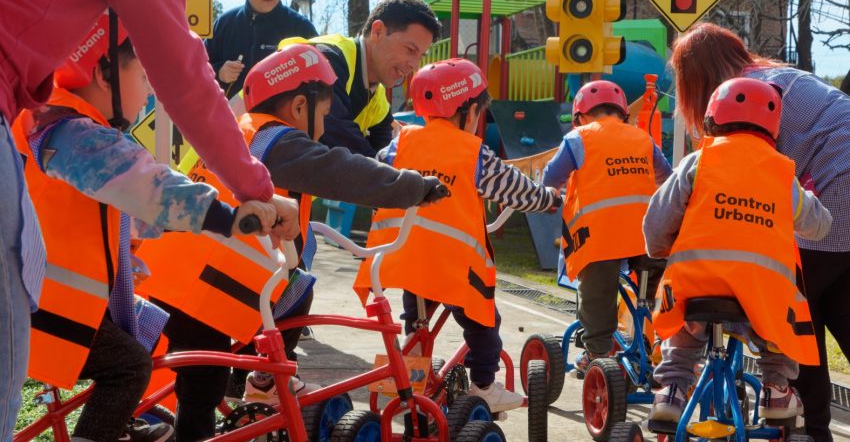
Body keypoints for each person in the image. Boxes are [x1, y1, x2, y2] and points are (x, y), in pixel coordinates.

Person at [0, 0, 285, 435]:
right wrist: (239, 206)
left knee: (150, 332)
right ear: (105, 69)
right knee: (125, 364)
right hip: (55, 312)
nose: (151, 94)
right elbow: (147, 178)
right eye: (141, 76)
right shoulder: (69, 128)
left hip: (67, 303)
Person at [138, 43, 445, 442]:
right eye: (325, 111)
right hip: (204, 289)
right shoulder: (277, 141)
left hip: (170, 277)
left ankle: (253, 383)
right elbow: (343, 171)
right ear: (300, 106)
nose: (326, 122)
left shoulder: (239, 130)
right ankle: (262, 383)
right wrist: (414, 187)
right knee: (292, 294)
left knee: (205, 380)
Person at [670, 22, 850, 441]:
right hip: (836, 186)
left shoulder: (746, 100)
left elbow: (737, 200)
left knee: (790, 319)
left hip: (835, 190)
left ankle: (809, 429)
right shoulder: (778, 79)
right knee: (834, 307)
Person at [353, 58, 562, 413]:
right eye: (480, 113)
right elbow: (518, 190)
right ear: (466, 110)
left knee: (416, 319)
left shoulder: (398, 145)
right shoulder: (473, 152)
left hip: (401, 259)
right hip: (454, 267)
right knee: (484, 322)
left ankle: (411, 379)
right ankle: (483, 384)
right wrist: (550, 200)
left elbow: (374, 179)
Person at [644, 77, 832, 424]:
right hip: (761, 295)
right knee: (778, 332)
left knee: (682, 330)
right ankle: (775, 392)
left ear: (713, 117)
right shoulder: (781, 174)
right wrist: (810, 196)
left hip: (698, 286)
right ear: (773, 128)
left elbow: (656, 222)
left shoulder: (698, 162)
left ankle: (671, 390)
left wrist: (660, 249)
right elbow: (819, 226)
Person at [541, 80, 672, 374]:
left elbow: (551, 178)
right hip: (647, 239)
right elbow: (667, 177)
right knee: (655, 291)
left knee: (597, 297)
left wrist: (548, 197)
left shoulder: (578, 139)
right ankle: (663, 342)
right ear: (623, 114)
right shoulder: (642, 139)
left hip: (600, 239)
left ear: (581, 117)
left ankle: (597, 353)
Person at [282, 0, 441, 157]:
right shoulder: (324, 58)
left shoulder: (376, 96)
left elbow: (383, 156)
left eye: (420, 56)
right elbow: (338, 140)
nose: (414, 66)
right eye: (410, 50)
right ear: (377, 31)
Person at [205, 0, 319, 99]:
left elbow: (320, 83)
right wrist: (219, 72)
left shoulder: (300, 28)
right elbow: (196, 71)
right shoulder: (224, 24)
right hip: (231, 120)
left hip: (284, 121)